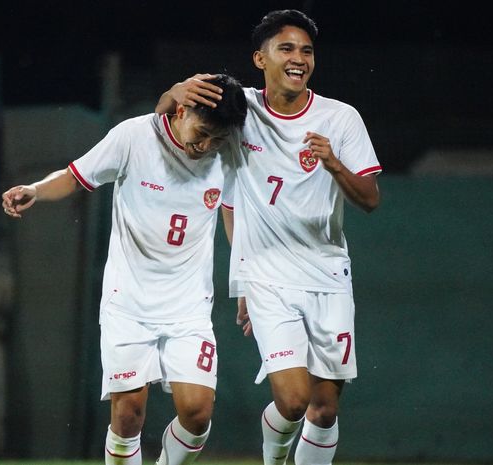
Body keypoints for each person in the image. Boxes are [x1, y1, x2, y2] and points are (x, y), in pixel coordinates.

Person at [155, 10, 381, 465]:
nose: (298, 58)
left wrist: (334, 163)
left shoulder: (341, 118)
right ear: (260, 58)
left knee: (324, 409)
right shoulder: (241, 111)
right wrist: (172, 93)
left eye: (306, 50)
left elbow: (370, 199)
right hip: (268, 278)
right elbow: (169, 124)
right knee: (294, 400)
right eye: (287, 48)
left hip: (328, 273)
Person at [2, 74, 247, 465]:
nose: (206, 146)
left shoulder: (227, 155)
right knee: (128, 415)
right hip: (128, 304)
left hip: (189, 309)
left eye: (216, 140)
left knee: (198, 413)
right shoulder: (133, 137)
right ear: (181, 110)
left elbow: (236, 223)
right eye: (201, 133)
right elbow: (73, 176)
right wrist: (35, 189)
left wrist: (245, 283)